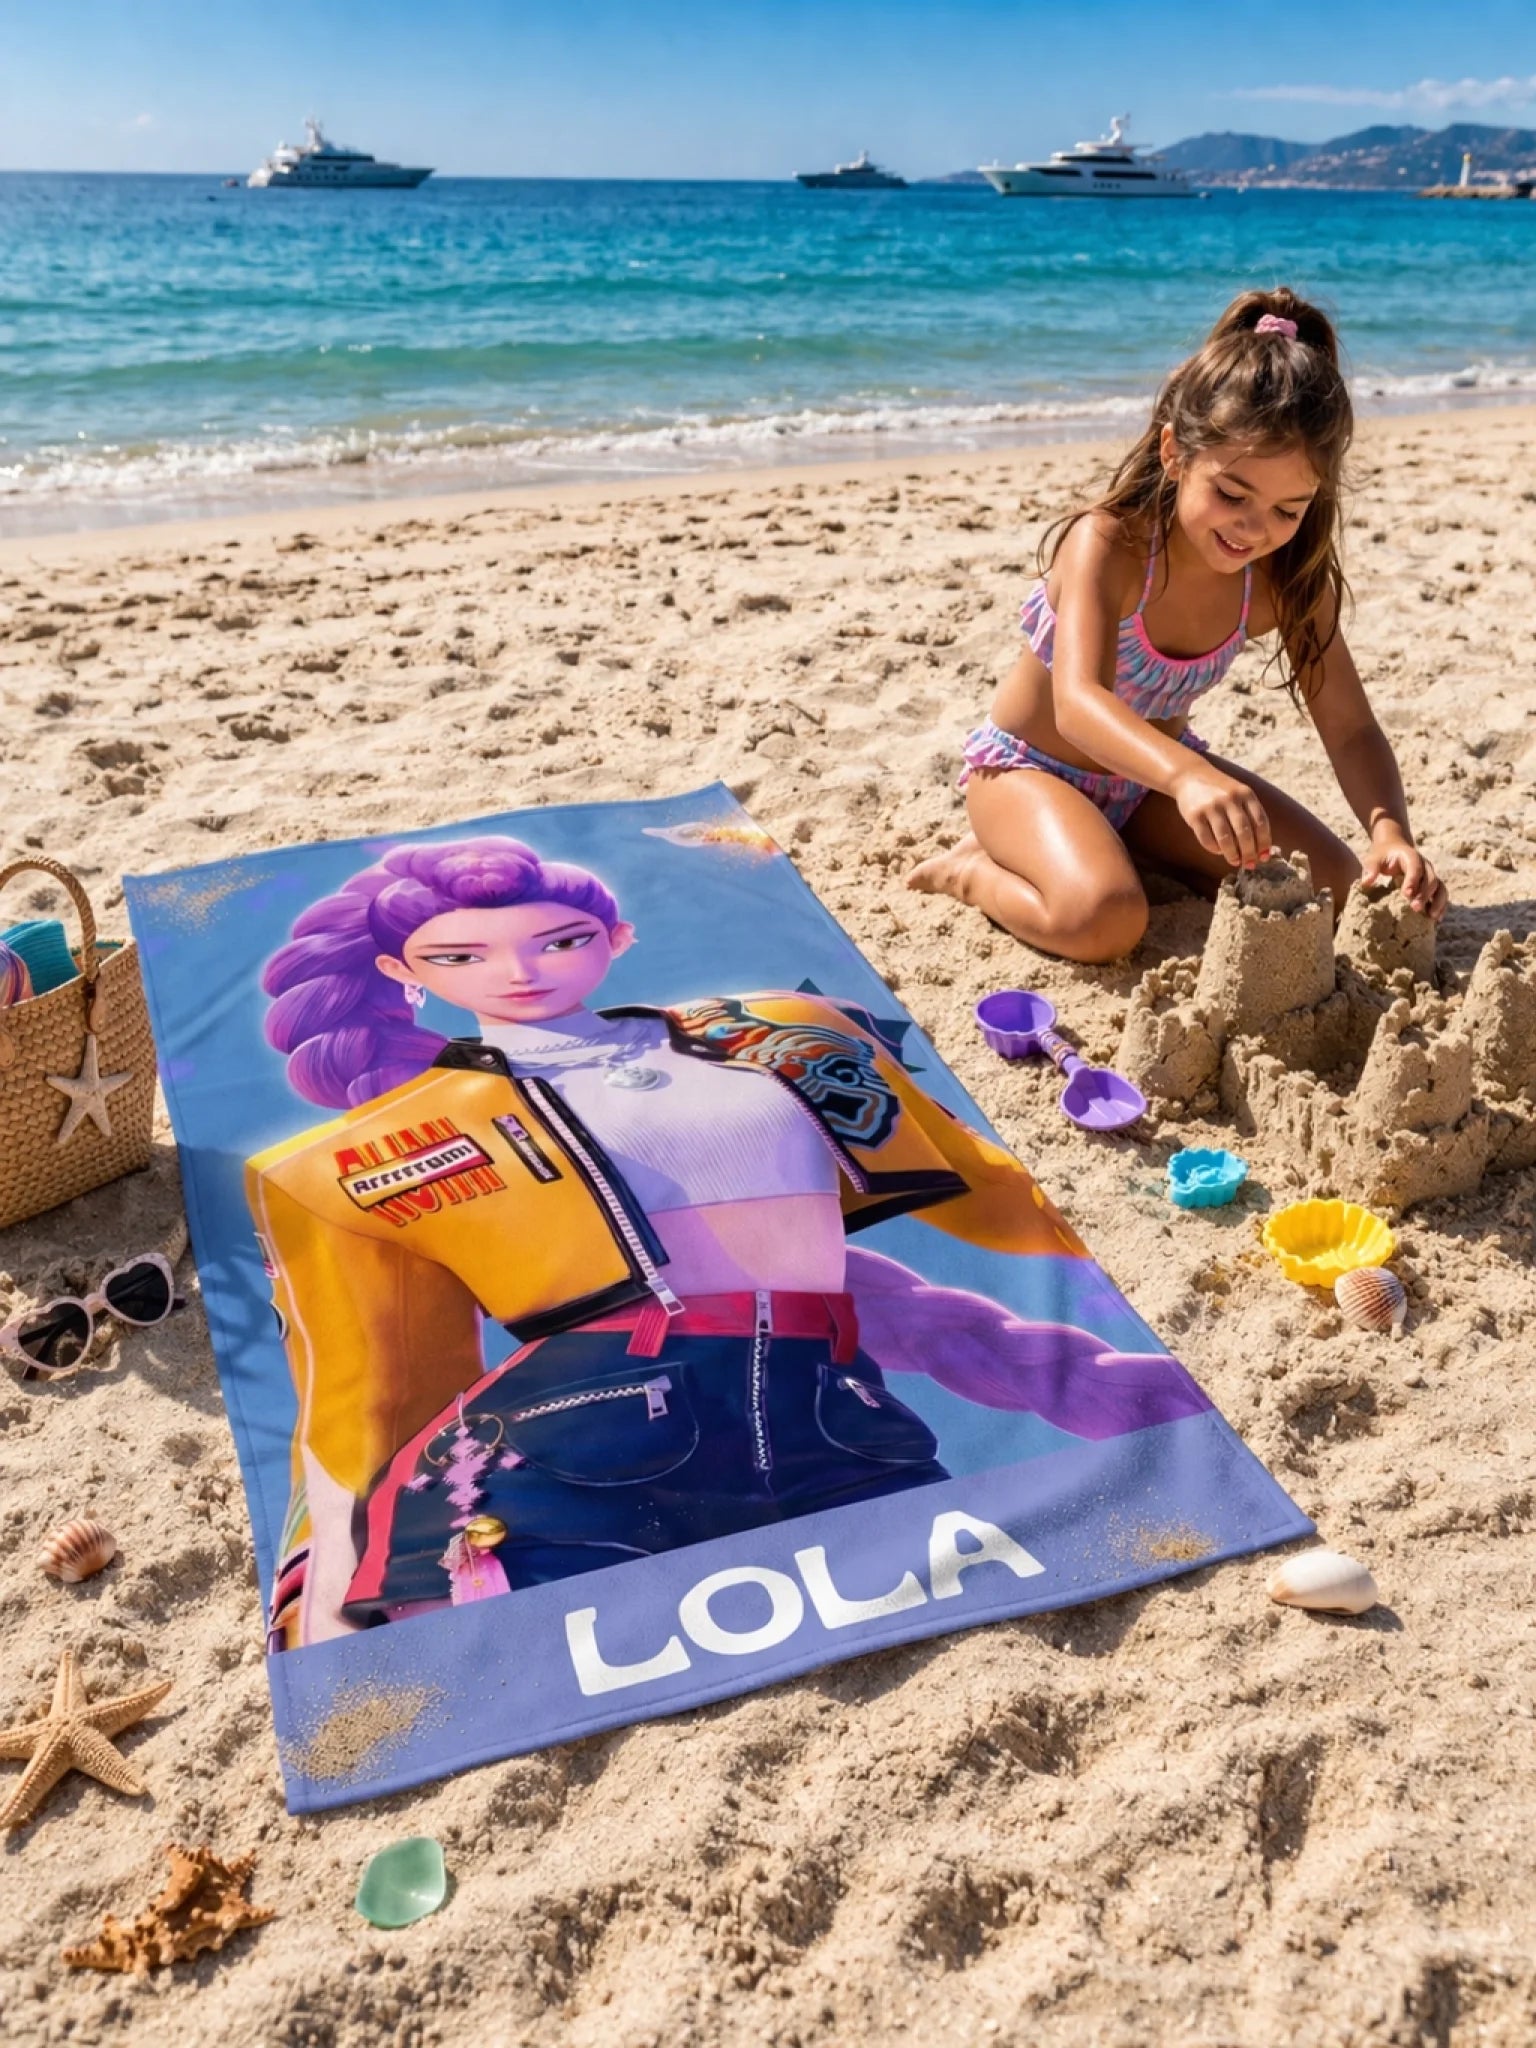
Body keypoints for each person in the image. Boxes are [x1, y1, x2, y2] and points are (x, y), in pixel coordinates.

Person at [247, 836, 1211, 1648]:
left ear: (617, 938)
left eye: (563, 939)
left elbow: (986, 1205)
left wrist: (1131, 1354)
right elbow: (366, 1399)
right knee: (506, 1661)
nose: (518, 971)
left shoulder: (780, 1033)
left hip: (831, 1410)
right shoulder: (370, 1154)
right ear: (402, 973)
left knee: (969, 1596)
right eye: (460, 957)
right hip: (564, 1449)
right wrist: (323, 1632)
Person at [908, 287, 1447, 963]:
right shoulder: (1110, 543)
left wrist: (1390, 831)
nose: (1254, 529)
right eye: (1231, 494)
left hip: (1146, 787)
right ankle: (973, 871)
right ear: (1174, 453)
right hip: (1027, 775)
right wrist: (1190, 776)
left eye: (1289, 511)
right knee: (1106, 921)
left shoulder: (1280, 586)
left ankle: (1112, 845)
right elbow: (1079, 705)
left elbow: (1350, 725)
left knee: (1333, 888)